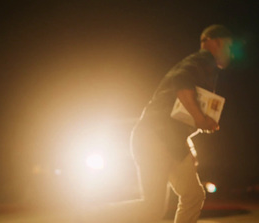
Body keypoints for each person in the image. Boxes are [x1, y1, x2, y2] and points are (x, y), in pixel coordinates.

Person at [80, 24, 233, 223]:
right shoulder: (202, 60)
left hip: (171, 141)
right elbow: (181, 82)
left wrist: (198, 127)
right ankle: (94, 218)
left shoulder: (207, 68)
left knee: (193, 195)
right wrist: (200, 119)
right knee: (152, 209)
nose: (231, 54)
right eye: (229, 47)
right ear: (215, 42)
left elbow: (179, 111)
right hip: (155, 136)